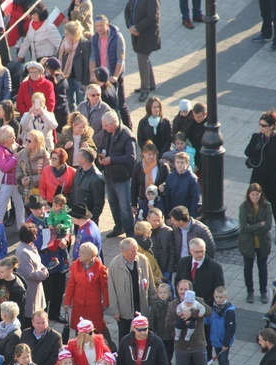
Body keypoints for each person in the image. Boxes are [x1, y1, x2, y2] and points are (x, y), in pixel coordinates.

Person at [166, 280, 212, 365]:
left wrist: (191, 313)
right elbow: (167, 325)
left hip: (198, 344)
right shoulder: (173, 305)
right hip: (181, 346)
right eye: (181, 289)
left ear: (191, 290)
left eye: (186, 289)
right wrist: (180, 321)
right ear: (177, 290)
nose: (183, 291)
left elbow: (208, 311)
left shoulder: (198, 300)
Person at [244, 109, 276, 244]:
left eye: (264, 125)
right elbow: (247, 152)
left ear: (271, 126)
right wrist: (256, 148)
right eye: (260, 125)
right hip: (258, 177)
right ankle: (257, 229)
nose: (261, 128)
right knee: (255, 204)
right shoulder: (256, 137)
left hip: (273, 178)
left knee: (275, 206)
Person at [95, 110, 136, 238]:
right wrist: (100, 154)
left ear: (113, 124)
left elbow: (131, 157)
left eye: (105, 125)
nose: (103, 127)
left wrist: (111, 160)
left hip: (121, 177)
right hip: (109, 175)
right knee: (113, 203)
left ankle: (130, 233)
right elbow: (101, 146)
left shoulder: (127, 136)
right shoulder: (107, 133)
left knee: (124, 207)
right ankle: (119, 227)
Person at [107, 237, 156, 342]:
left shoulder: (143, 260)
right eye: (133, 251)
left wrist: (153, 300)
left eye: (136, 250)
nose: (136, 253)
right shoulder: (114, 265)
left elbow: (150, 281)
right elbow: (111, 290)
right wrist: (115, 310)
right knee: (124, 334)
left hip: (141, 303)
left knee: (143, 332)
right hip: (124, 307)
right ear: (124, 251)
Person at [238, 183, 273, 304]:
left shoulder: (267, 206)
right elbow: (243, 227)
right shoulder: (244, 207)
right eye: (253, 195)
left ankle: (263, 291)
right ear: (249, 195)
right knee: (248, 268)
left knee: (262, 268)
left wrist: (251, 227)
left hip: (262, 242)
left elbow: (268, 225)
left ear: (260, 194)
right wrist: (259, 225)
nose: (255, 197)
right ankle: (250, 291)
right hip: (248, 243)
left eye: (257, 195)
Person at [124, 0, 160, 102]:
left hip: (147, 35)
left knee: (142, 59)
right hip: (136, 34)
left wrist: (137, 28)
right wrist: (130, 26)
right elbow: (127, 11)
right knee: (144, 58)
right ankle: (151, 84)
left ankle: (145, 89)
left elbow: (152, 17)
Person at [15, 224, 48, 330]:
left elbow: (38, 263)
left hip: (36, 289)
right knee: (30, 320)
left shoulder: (30, 247)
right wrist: (44, 274)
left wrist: (43, 268)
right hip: (31, 290)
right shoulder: (23, 252)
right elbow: (30, 273)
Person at [207, 287, 236, 365]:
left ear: (226, 297)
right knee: (220, 360)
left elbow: (231, 329)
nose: (218, 299)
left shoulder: (229, 311)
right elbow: (208, 321)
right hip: (216, 340)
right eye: (216, 297)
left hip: (224, 341)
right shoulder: (213, 307)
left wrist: (226, 343)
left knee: (223, 360)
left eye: (221, 297)